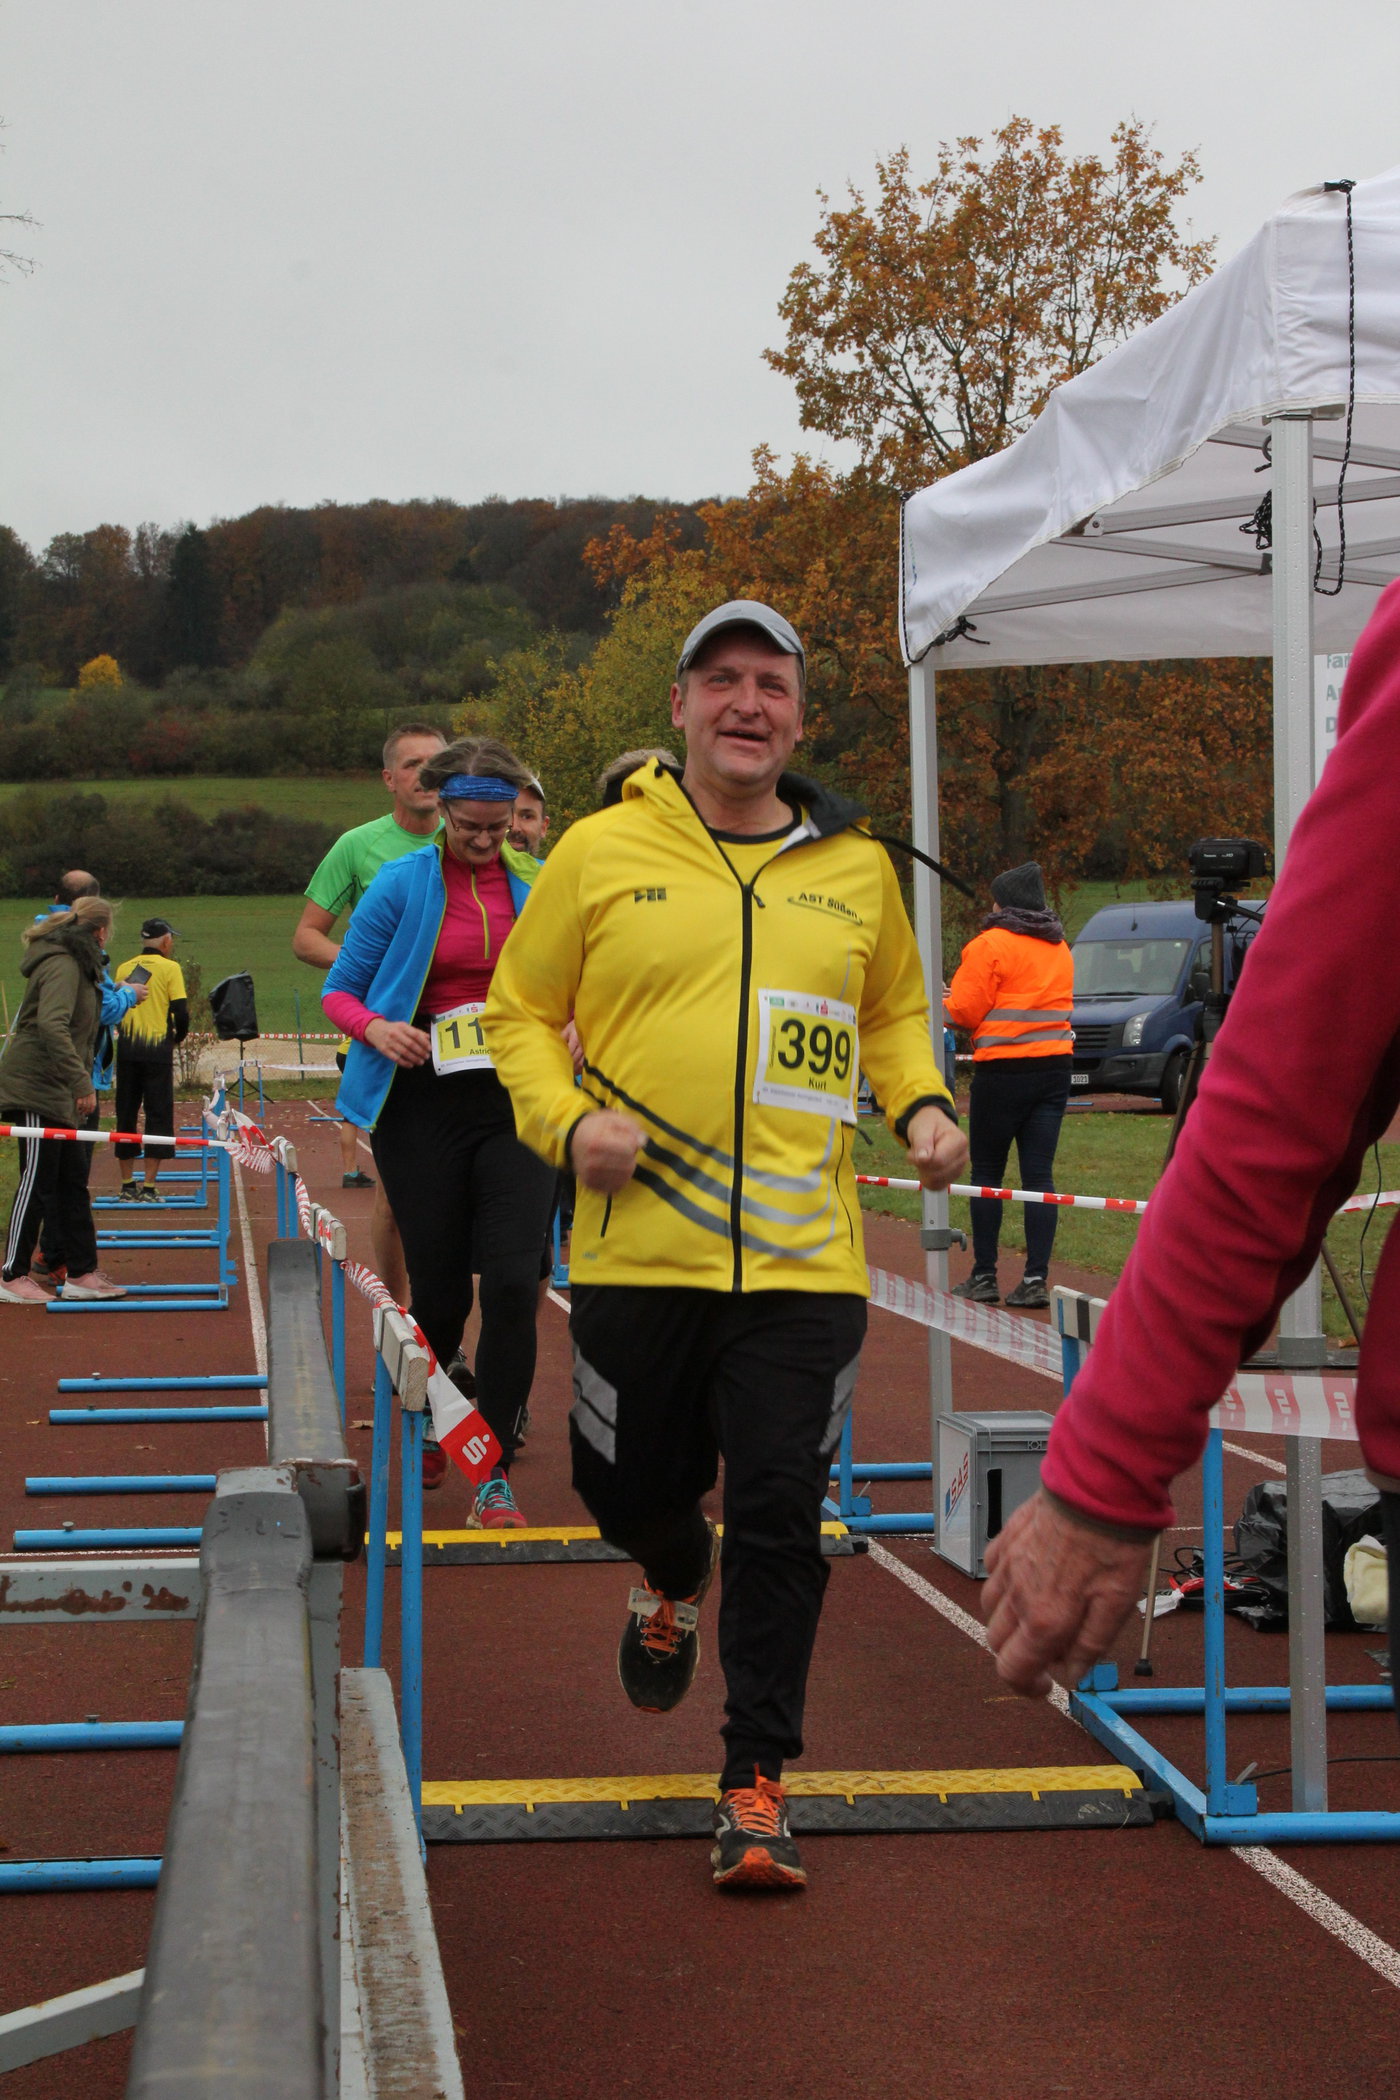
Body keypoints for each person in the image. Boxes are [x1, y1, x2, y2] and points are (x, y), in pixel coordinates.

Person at [484, 599, 968, 1891]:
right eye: (722, 680)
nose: (747, 704)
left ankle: (755, 1779)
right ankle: (666, 1567)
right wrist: (565, 1123)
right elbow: (519, 1013)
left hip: (803, 1265)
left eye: (772, 684)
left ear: (799, 718)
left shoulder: (852, 867)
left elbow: (893, 1015)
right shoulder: (599, 850)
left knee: (779, 1513)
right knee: (624, 1490)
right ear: (681, 707)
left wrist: (921, 1102)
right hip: (637, 1253)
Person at [983, 578, 1400, 1705]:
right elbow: (1289, 1093)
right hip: (1015, 1091)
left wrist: (1108, 1464)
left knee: (1025, 1191)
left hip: (1024, 1091)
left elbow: (1284, 1088)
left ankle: (1009, 1266)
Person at [323, 735, 556, 1517]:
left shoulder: (540, 885)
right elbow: (340, 990)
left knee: (516, 1282)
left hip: (518, 1097)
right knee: (444, 1290)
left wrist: (578, 1024)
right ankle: (431, 1412)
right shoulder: (400, 884)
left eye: (501, 827)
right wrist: (378, 1028)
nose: (487, 842)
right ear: (445, 812)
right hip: (421, 1100)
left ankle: (493, 1461)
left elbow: (587, 978)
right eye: (470, 828)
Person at [294, 723, 446, 1252]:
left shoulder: (474, 838)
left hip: (468, 1035)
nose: (425, 775)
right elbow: (306, 937)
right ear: (388, 779)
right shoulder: (358, 846)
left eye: (435, 763)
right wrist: (369, 967)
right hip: (393, 1035)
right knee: (398, 1193)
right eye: (411, 765)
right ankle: (396, 1302)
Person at [943, 862, 1074, 1310]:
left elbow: (965, 1011)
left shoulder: (990, 944)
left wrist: (937, 1003)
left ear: (1005, 903)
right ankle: (1035, 1278)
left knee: (986, 1174)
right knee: (1039, 1176)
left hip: (1003, 1072)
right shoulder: (1059, 946)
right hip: (1054, 1069)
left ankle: (984, 1274)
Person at [0, 895, 128, 1301]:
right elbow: (52, 1026)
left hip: (60, 1087)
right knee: (36, 1179)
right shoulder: (62, 963)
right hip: (37, 1086)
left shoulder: (83, 966)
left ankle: (81, 1273)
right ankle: (11, 1275)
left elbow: (80, 1030)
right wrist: (81, 1082)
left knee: (72, 1181)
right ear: (101, 932)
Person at [28, 871, 146, 1288]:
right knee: (58, 1178)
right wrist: (127, 995)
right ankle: (41, 1262)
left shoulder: (54, 937)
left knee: (63, 1176)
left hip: (72, 1074)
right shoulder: (72, 950)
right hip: (67, 1078)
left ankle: (65, 1260)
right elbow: (89, 1014)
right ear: (99, 925)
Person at [112, 919, 189, 1203]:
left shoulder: (124, 968)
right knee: (158, 1114)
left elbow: (115, 1008)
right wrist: (178, 1037)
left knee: (126, 1113)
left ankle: (126, 1185)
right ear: (166, 941)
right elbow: (181, 1011)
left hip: (128, 1050)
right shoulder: (170, 968)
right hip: (157, 1052)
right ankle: (149, 1187)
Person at [508, 775, 549, 861]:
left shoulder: (553, 870)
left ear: (543, 827)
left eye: (526, 817)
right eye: (505, 815)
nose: (515, 827)